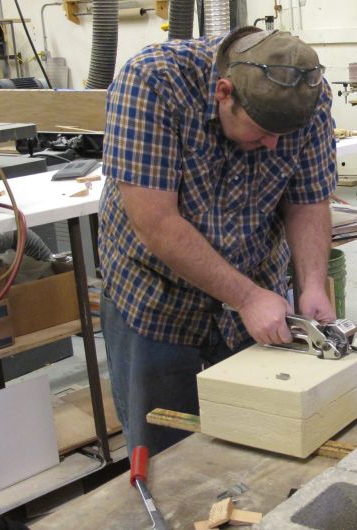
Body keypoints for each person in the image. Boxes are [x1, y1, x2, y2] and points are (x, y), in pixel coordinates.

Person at [98, 27, 337, 456]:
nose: (274, 145)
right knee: (166, 453)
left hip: (256, 287)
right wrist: (246, 298)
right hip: (155, 297)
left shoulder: (309, 98)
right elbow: (155, 223)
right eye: (261, 131)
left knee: (259, 445)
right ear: (224, 92)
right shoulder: (153, 82)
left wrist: (313, 284)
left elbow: (309, 199)